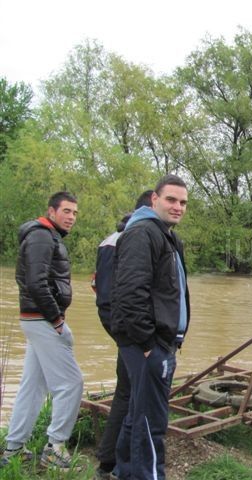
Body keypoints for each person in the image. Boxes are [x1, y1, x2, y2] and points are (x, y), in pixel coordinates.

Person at [110, 175, 190, 479]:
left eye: (183, 202)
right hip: (150, 345)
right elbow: (131, 294)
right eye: (171, 200)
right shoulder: (143, 234)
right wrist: (147, 345)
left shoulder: (165, 234)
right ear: (154, 200)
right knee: (152, 422)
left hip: (160, 342)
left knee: (137, 414)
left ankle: (124, 471)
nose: (178, 207)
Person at [1, 192, 84, 471]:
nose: (71, 217)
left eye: (75, 213)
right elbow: (36, 284)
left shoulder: (46, 236)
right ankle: (55, 448)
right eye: (66, 211)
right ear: (51, 211)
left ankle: (14, 449)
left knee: (33, 386)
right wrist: (57, 321)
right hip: (42, 319)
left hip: (36, 319)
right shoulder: (41, 236)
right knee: (71, 383)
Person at [92, 190, 153, 479]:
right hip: (128, 326)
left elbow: (101, 291)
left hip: (119, 322)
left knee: (125, 391)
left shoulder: (111, 239)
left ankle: (109, 459)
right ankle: (116, 462)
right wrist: (136, 334)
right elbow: (117, 295)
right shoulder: (133, 240)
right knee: (132, 393)